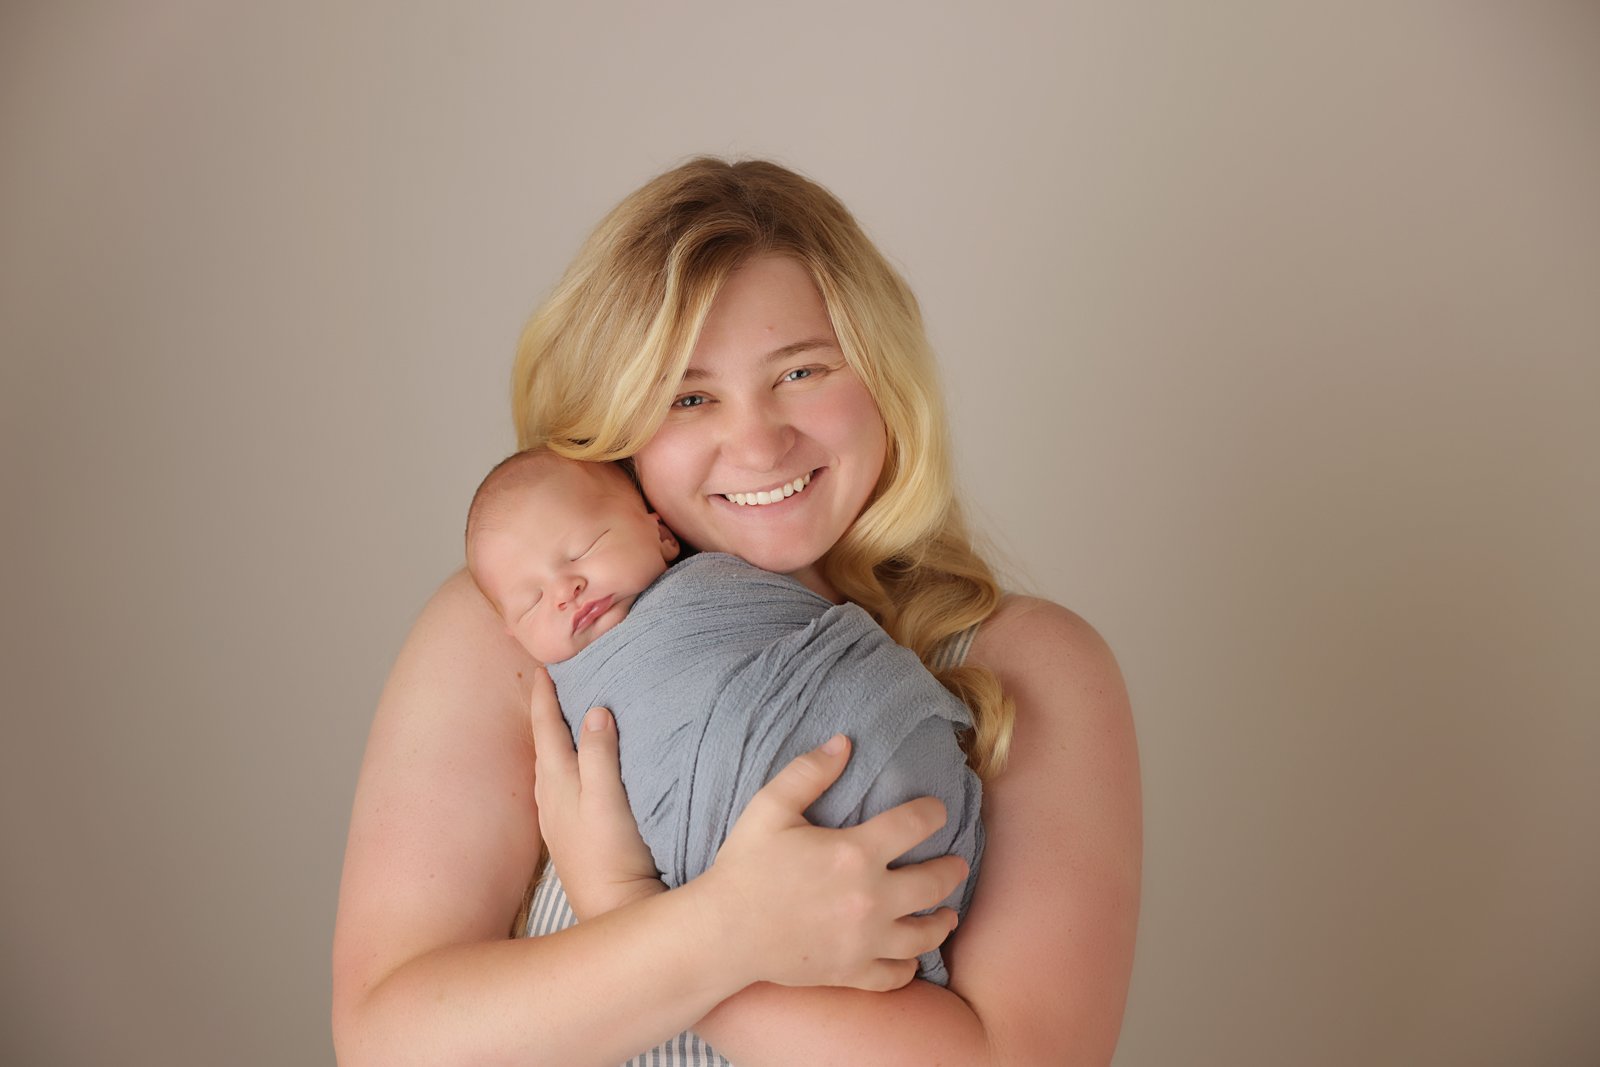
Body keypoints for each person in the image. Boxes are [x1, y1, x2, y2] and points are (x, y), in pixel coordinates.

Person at [332, 158, 1141, 1066]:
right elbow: (390, 1039)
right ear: (618, 424)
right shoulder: (526, 632)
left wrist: (630, 907)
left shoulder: (1031, 666)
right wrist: (722, 932)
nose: (758, 441)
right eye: (689, 396)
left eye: (800, 371)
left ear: (883, 375)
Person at [463, 447, 984, 987]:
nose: (564, 590)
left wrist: (624, 905)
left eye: (584, 548)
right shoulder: (546, 692)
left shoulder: (722, 588)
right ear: (513, 636)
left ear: (661, 535)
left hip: (891, 767)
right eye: (529, 601)